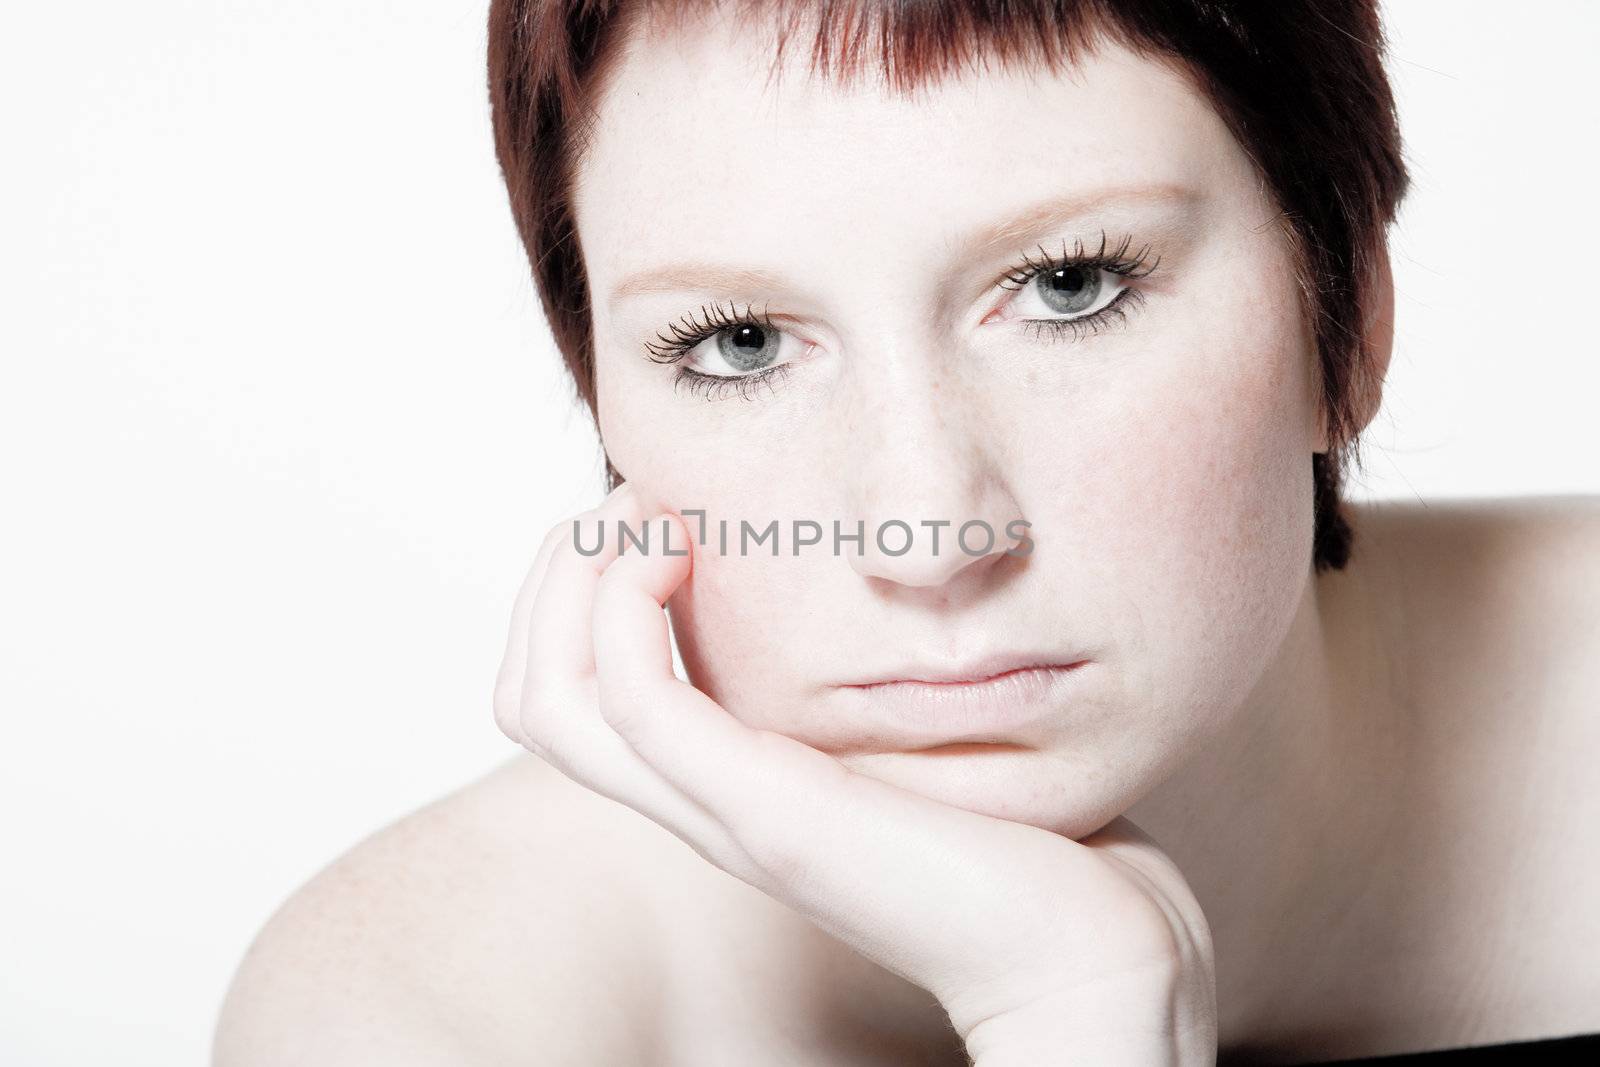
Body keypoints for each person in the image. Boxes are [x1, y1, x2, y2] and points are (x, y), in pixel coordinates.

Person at [213, 1, 1600, 1063]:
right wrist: (1077, 1010)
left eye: (1069, 285)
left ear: (1347, 313)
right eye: (740, 343)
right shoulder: (431, 1014)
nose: (928, 533)